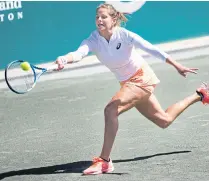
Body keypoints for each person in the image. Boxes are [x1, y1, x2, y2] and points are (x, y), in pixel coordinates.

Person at [54, 3, 209, 175]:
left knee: (110, 110)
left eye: (104, 16)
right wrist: (64, 59)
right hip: (127, 84)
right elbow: (79, 53)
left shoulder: (124, 35)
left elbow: (151, 48)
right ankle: (199, 95)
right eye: (97, 16)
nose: (99, 19)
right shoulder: (93, 40)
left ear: (113, 19)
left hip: (141, 78)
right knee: (164, 120)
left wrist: (176, 65)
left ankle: (104, 161)